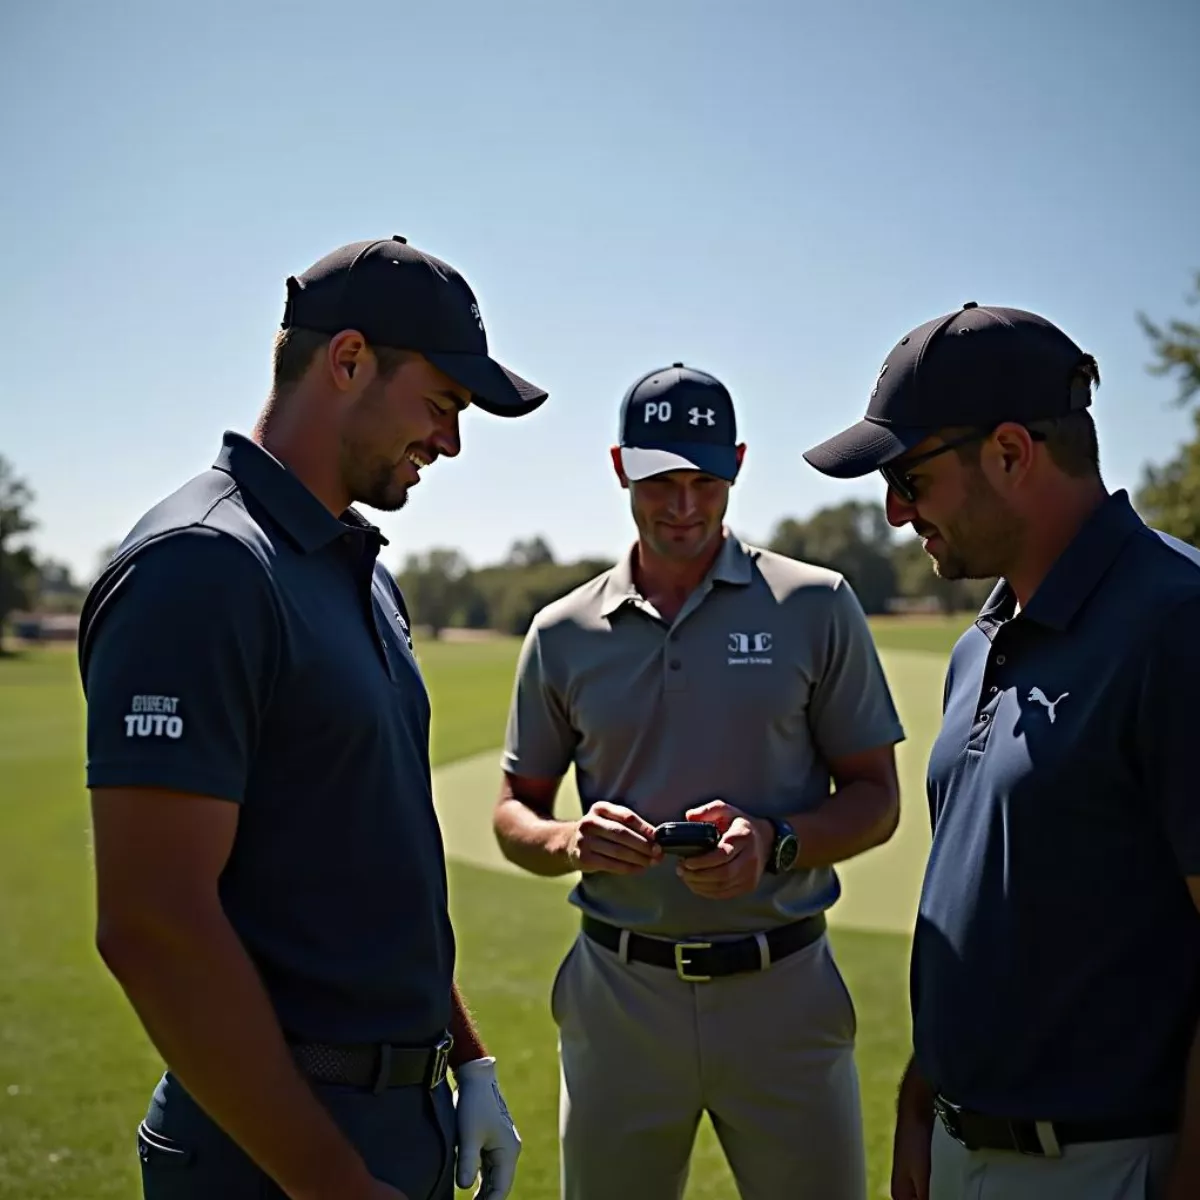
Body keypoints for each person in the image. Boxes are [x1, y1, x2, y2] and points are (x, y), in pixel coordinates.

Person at [77, 236, 546, 1200]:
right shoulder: (203, 568)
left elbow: (371, 857)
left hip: (392, 1126)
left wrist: (466, 1057)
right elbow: (153, 923)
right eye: (442, 404)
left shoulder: (360, 575)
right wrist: (331, 1181)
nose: (451, 443)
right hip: (277, 1154)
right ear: (347, 361)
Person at [802, 301, 1200, 1200]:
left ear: (1013, 452)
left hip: (1110, 1163)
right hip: (960, 1142)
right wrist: (923, 1091)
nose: (897, 512)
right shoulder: (981, 641)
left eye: (908, 475)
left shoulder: (1177, 624)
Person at [491, 362, 906, 1200]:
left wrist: (778, 841)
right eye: (660, 481)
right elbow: (514, 811)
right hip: (618, 998)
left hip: (784, 992)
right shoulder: (561, 631)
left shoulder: (817, 604)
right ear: (619, 468)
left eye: (704, 480)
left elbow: (877, 800)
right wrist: (571, 841)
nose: (683, 506)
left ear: (739, 465)